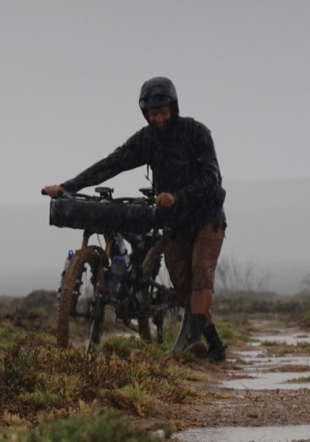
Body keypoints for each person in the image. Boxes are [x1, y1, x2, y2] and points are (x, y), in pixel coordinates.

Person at [43, 76, 228, 360]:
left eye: (163, 113)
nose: (159, 119)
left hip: (206, 218)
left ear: (174, 108)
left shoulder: (196, 132)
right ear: (145, 114)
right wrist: (68, 187)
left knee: (200, 283)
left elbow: (211, 177)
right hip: (174, 223)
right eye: (153, 114)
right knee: (183, 294)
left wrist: (177, 195)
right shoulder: (147, 139)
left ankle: (214, 350)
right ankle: (211, 341)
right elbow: (112, 163)